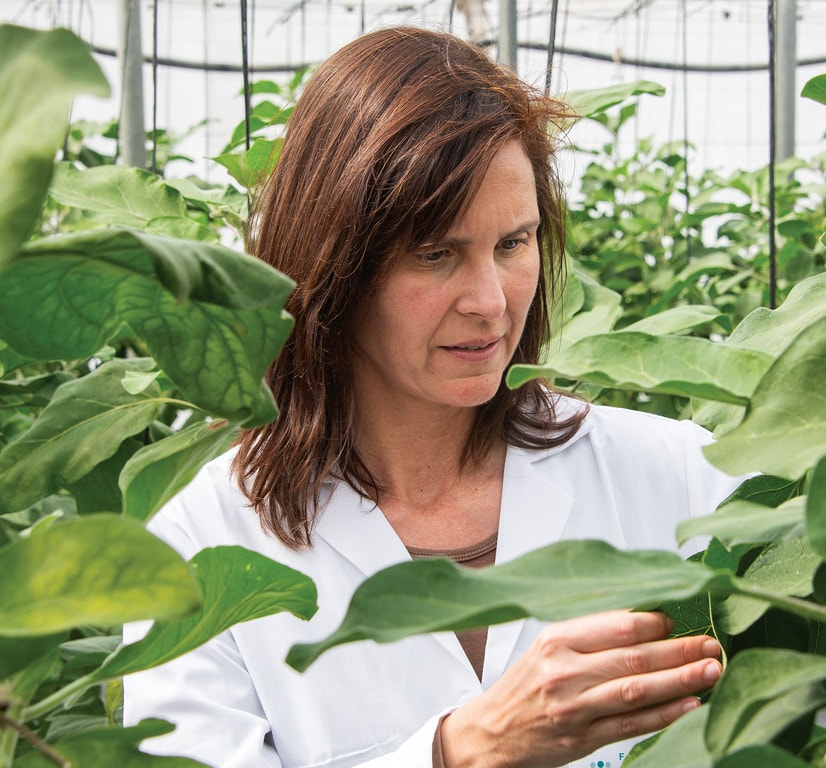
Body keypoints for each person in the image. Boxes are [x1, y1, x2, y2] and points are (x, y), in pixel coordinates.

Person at [123, 25, 742, 768]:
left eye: (513, 244)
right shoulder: (202, 547)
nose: (490, 302)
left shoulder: (679, 476)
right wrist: (458, 753)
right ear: (332, 268)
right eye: (435, 254)